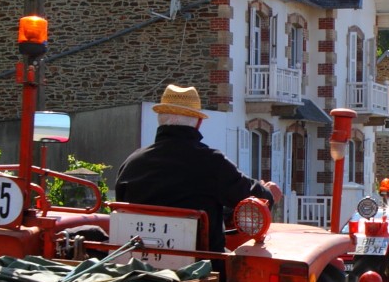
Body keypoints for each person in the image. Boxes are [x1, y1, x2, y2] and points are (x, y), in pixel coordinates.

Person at [115, 84, 281, 255]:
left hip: (134, 263)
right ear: (198, 123)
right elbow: (253, 196)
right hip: (201, 266)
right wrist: (268, 192)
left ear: (160, 119)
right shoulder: (212, 162)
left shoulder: (132, 162)